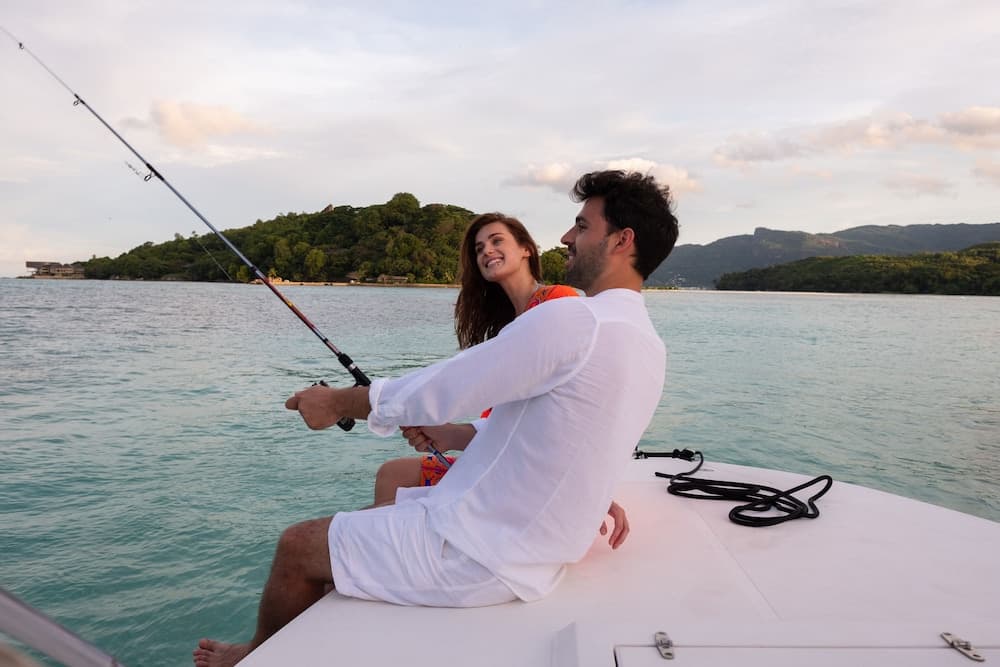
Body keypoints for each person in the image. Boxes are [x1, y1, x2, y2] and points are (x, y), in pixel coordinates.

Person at [194, 170, 679, 667]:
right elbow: (563, 427)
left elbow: (447, 386)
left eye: (582, 226)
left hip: (481, 550)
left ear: (622, 240)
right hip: (525, 545)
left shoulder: (577, 318)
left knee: (297, 547)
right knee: (359, 522)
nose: (566, 237)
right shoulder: (647, 343)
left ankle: (251, 657)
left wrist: (339, 402)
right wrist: (451, 433)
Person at [371, 212, 578, 506]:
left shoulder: (557, 300)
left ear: (526, 249)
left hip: (528, 470)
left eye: (496, 241)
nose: (487, 251)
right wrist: (450, 434)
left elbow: (559, 408)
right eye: (479, 249)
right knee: (392, 474)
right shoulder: (511, 325)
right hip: (503, 455)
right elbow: (506, 420)